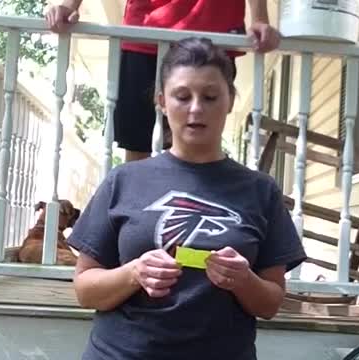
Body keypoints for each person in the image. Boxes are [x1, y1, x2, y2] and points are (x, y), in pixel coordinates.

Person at [66, 37, 306, 360]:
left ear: (230, 100)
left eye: (210, 96)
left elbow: (271, 303)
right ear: (162, 102)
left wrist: (244, 280)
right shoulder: (124, 180)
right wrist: (134, 272)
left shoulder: (261, 191)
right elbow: (84, 289)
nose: (196, 109)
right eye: (182, 96)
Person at [46, 0, 280, 162]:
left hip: (215, 34)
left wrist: (260, 18)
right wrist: (69, 6)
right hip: (146, 34)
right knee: (139, 152)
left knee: (199, 146)